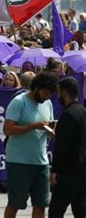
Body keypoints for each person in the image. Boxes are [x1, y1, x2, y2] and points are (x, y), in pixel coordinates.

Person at [3, 72, 58, 218]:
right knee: (15, 203)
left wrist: (51, 131)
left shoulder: (48, 103)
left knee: (41, 204)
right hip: (18, 162)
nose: (47, 97)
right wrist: (33, 126)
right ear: (36, 88)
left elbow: (46, 127)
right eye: (45, 93)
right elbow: (7, 129)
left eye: (50, 94)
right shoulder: (19, 101)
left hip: (41, 162)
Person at [49, 77, 86, 218]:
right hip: (82, 171)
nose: (57, 96)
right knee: (80, 211)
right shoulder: (83, 111)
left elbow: (62, 147)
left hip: (68, 172)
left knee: (55, 212)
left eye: (58, 92)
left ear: (64, 93)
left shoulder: (68, 115)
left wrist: (55, 170)